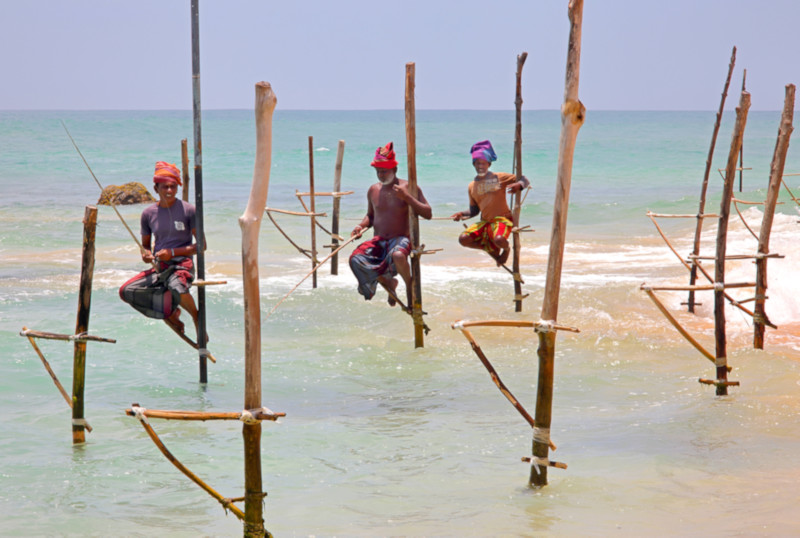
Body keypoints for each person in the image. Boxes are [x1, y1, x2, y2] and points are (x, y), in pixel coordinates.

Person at [119, 161, 206, 342]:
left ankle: (197, 318)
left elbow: (201, 246)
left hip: (182, 265)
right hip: (161, 267)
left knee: (176, 285)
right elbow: (145, 246)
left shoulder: (189, 210)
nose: (169, 191)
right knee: (126, 290)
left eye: (173, 187)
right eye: (165, 187)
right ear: (156, 188)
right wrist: (146, 255)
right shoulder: (148, 214)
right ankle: (171, 312)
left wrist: (172, 253)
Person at [349, 142, 432, 309]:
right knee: (356, 259)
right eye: (378, 171)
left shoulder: (408, 187)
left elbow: (428, 213)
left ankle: (409, 286)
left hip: (400, 239)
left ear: (394, 170)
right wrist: (360, 226)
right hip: (379, 240)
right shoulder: (373, 189)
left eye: (384, 171)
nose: (380, 174)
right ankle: (388, 282)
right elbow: (370, 216)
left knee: (399, 256)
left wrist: (407, 197)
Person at [450, 140, 529, 266]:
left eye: (483, 163)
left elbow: (524, 179)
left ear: (489, 164)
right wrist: (461, 214)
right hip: (486, 223)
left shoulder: (500, 177)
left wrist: (519, 185)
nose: (480, 165)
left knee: (499, 239)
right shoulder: (472, 186)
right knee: (463, 239)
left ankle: (506, 250)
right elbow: (474, 210)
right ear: (473, 164)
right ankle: (489, 248)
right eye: (477, 163)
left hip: (502, 220)